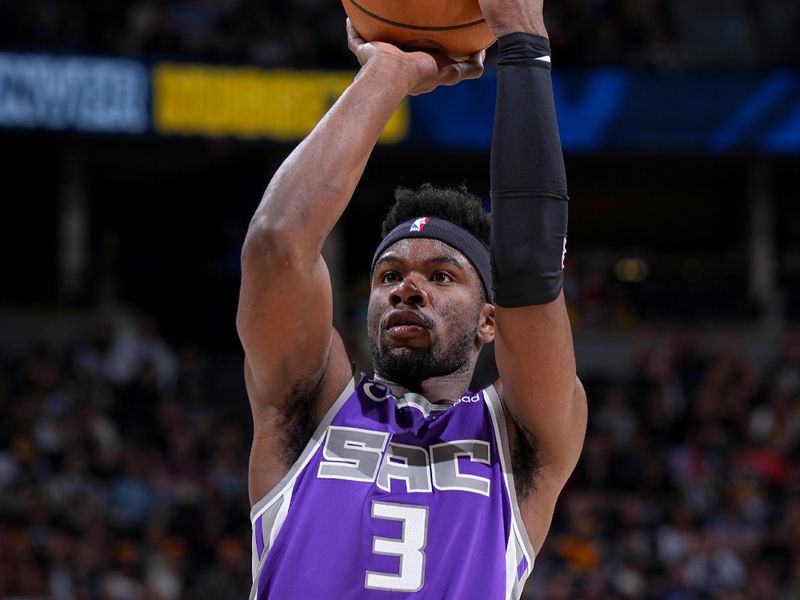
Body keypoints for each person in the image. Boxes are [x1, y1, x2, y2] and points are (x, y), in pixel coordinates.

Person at [236, 0, 587, 594]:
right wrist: (386, 75)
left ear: (488, 322)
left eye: (442, 276)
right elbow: (277, 244)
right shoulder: (309, 409)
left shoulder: (523, 435)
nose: (407, 288)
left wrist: (523, 41)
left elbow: (529, 268)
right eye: (387, 275)